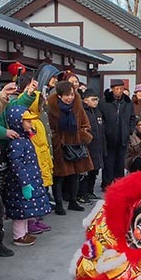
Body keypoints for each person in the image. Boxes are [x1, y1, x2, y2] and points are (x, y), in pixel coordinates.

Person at [0, 106, 52, 246]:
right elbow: (17, 164)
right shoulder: (17, 142)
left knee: (25, 208)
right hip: (21, 182)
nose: (30, 124)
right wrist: (24, 182)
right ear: (17, 122)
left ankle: (24, 233)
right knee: (20, 210)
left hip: (28, 179)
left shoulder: (24, 139)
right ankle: (19, 236)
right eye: (27, 121)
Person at [48, 80, 93, 214]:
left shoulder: (78, 106)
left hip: (76, 144)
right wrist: (56, 139)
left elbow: (86, 124)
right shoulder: (52, 107)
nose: (70, 98)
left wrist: (82, 135)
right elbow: (49, 127)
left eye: (72, 94)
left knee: (75, 175)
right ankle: (59, 204)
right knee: (59, 177)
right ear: (60, 95)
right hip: (60, 146)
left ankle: (73, 201)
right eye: (67, 95)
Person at [100, 80, 135, 187]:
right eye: (116, 89)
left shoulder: (128, 102)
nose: (119, 91)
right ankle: (107, 184)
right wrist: (104, 130)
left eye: (121, 89)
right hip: (109, 137)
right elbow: (101, 118)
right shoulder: (105, 101)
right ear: (112, 89)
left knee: (120, 163)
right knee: (108, 163)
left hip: (123, 137)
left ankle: (119, 184)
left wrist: (130, 130)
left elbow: (132, 117)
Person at [80, 88, 105, 202]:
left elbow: (102, 130)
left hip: (98, 145)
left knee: (95, 170)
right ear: (85, 100)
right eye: (93, 99)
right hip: (88, 146)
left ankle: (90, 191)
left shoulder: (98, 112)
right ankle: (82, 194)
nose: (95, 102)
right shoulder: (83, 112)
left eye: (97, 99)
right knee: (86, 172)